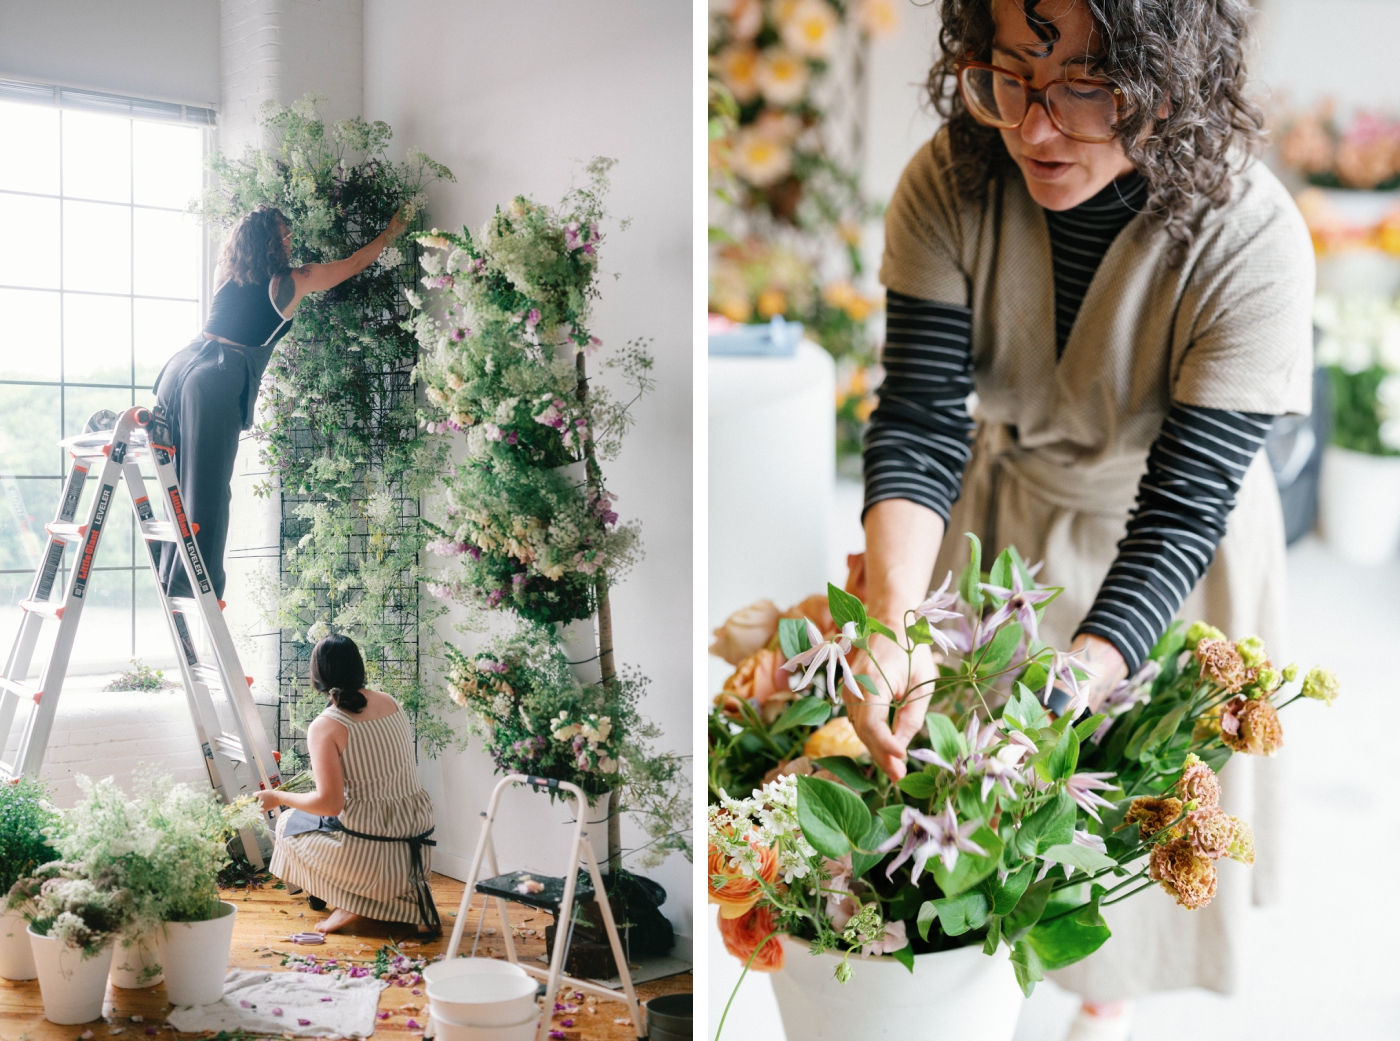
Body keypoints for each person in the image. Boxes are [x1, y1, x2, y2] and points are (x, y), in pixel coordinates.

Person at [847, 0, 1311, 1037]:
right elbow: (920, 421)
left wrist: (1083, 676)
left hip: (1175, 562)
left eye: (1087, 90)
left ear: (1168, 83)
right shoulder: (952, 179)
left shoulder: (1251, 240)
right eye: (1007, 78)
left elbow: (1183, 507)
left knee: (1117, 834)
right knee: (965, 841)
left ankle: (1101, 1009)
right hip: (1005, 519)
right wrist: (887, 627)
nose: (1035, 129)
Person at [154, 203, 408, 600]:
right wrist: (393, 230)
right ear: (270, 241)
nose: (289, 240)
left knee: (177, 480)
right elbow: (356, 262)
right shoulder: (290, 281)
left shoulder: (227, 273)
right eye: (283, 234)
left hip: (180, 369)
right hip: (214, 381)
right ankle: (193, 590)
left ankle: (170, 574)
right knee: (207, 490)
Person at [256, 634, 439, 936]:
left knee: (288, 824)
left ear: (317, 677)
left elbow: (331, 804)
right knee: (320, 820)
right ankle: (409, 905)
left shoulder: (326, 725)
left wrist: (277, 796)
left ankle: (350, 900)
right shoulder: (390, 702)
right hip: (415, 847)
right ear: (359, 668)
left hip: (374, 853)